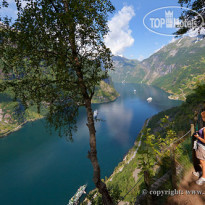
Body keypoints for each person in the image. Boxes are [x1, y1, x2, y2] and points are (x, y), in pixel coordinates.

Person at [193, 111, 205, 185]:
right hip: (202, 147)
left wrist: (197, 137)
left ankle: (203, 177)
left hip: (202, 147)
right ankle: (202, 172)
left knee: (203, 162)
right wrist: (199, 132)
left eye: (202, 117)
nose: (201, 118)